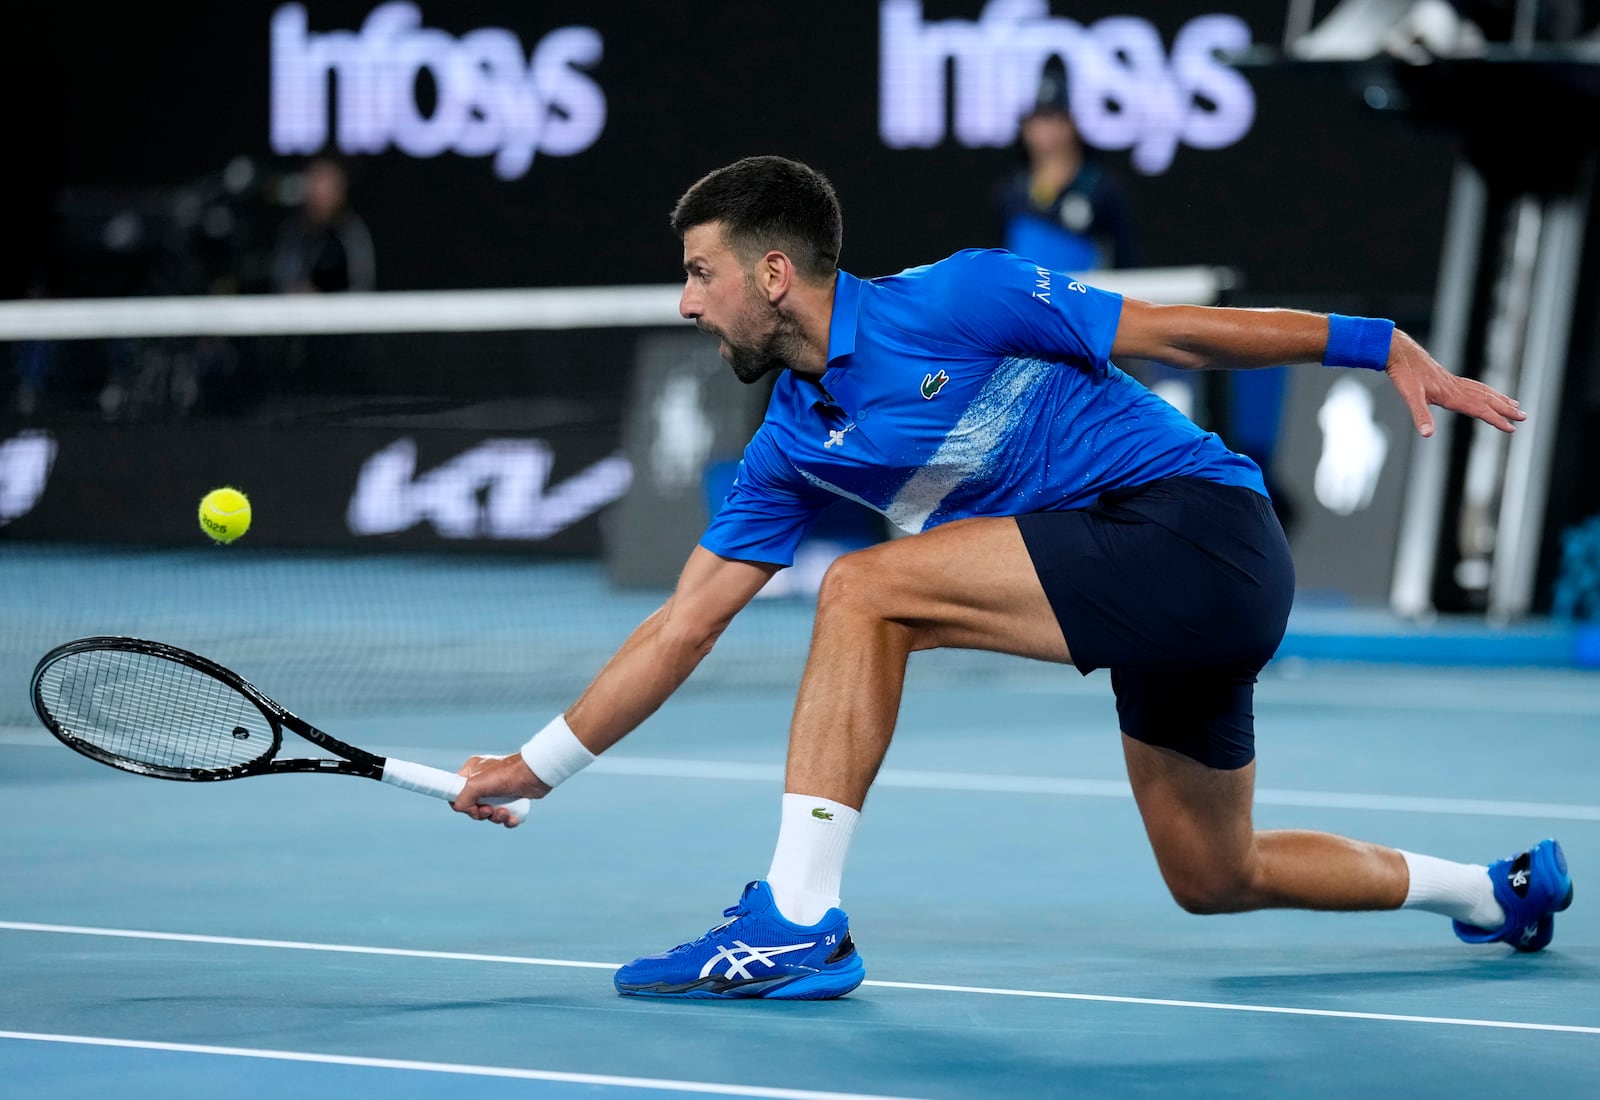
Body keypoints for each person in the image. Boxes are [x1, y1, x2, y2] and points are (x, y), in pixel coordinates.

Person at [451, 155, 1568, 1001]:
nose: (687, 302)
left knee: (863, 590)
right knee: (1213, 870)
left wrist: (1373, 343)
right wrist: (538, 766)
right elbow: (682, 625)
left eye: (701, 273)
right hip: (1153, 603)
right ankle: (1493, 889)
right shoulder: (792, 443)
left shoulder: (957, 297)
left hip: (1198, 529)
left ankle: (795, 914)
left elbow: (1177, 333)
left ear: (773, 271)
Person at [990, 58, 1138, 274]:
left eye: (1053, 117)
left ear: (1071, 122)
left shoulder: (1103, 190)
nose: (1044, 128)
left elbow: (1128, 262)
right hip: (1027, 302)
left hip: (1083, 301)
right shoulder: (1010, 193)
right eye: (1036, 119)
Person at [270, 156, 375, 294]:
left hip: (340, 312)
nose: (318, 193)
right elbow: (279, 277)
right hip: (292, 312)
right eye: (314, 183)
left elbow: (362, 285)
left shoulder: (351, 233)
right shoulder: (293, 231)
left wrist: (324, 302)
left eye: (326, 186)